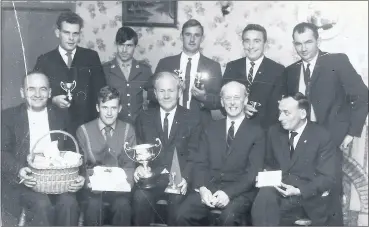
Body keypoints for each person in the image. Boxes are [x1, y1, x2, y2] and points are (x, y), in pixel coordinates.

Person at [282, 22, 368, 225]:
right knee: (304, 201)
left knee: (330, 198)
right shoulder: (290, 72)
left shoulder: (336, 62)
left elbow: (363, 96)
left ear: (318, 41)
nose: (303, 48)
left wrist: (351, 132)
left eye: (308, 42)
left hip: (330, 142)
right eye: (298, 43)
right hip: (300, 144)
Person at [176, 81, 266, 226]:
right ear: (222, 102)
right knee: (181, 214)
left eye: (237, 97)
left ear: (246, 100)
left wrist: (228, 193)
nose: (232, 103)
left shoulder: (257, 132)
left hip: (241, 193)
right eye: (227, 98)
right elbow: (200, 163)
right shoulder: (210, 128)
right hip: (210, 189)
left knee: (228, 219)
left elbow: (253, 173)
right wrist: (203, 188)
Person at [1, 71, 84, 226]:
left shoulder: (62, 115)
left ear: (50, 92)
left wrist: (80, 177)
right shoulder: (8, 116)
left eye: (43, 89)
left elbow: (75, 149)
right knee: (42, 205)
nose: (37, 94)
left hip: (58, 180)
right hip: (24, 182)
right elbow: (2, 153)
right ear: (22, 92)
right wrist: (19, 170)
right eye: (31, 89)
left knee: (70, 204)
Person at [251, 93, 336, 226]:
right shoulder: (274, 132)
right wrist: (264, 177)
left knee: (270, 209)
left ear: (302, 113)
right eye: (279, 112)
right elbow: (269, 164)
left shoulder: (322, 136)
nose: (280, 118)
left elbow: (328, 178)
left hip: (306, 198)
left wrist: (298, 191)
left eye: (286, 113)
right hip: (279, 194)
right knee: (264, 198)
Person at [133, 71, 202, 226]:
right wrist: (139, 167)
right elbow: (138, 148)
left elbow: (195, 153)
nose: (166, 95)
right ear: (155, 94)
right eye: (161, 91)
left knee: (177, 208)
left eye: (171, 90)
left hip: (180, 179)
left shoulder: (192, 118)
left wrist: (186, 178)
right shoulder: (144, 117)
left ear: (179, 92)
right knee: (139, 198)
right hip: (152, 176)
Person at [34, 11, 106, 135]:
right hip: (55, 127)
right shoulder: (44, 60)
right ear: (58, 33)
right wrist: (52, 100)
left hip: (87, 127)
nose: (71, 38)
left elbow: (101, 92)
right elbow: (34, 95)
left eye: (75, 33)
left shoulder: (91, 57)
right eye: (66, 33)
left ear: (80, 35)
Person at [76, 86, 136, 226]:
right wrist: (88, 182)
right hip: (94, 190)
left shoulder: (128, 130)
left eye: (113, 108)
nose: (109, 113)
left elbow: (129, 164)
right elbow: (82, 166)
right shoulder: (83, 130)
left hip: (119, 190)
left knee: (123, 207)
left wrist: (125, 184)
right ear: (97, 107)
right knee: (93, 207)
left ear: (120, 108)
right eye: (105, 107)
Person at [148, 19, 223, 127]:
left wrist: (204, 98)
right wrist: (170, 93)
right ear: (181, 36)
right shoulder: (165, 63)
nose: (192, 39)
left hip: (200, 125)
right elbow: (151, 94)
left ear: (202, 38)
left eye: (196, 35)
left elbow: (220, 100)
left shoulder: (213, 66)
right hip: (169, 122)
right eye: (188, 34)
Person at [222, 24, 285, 131]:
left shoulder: (278, 70)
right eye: (247, 41)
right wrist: (240, 108)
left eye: (256, 41)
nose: (251, 46)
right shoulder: (232, 67)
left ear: (265, 44)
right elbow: (222, 102)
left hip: (265, 132)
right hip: (236, 131)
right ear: (242, 43)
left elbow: (277, 109)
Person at [103, 26, 152, 125]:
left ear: (135, 46)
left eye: (129, 45)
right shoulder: (105, 69)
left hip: (138, 127)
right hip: (114, 126)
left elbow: (155, 96)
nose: (124, 50)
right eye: (121, 45)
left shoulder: (144, 70)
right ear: (116, 45)